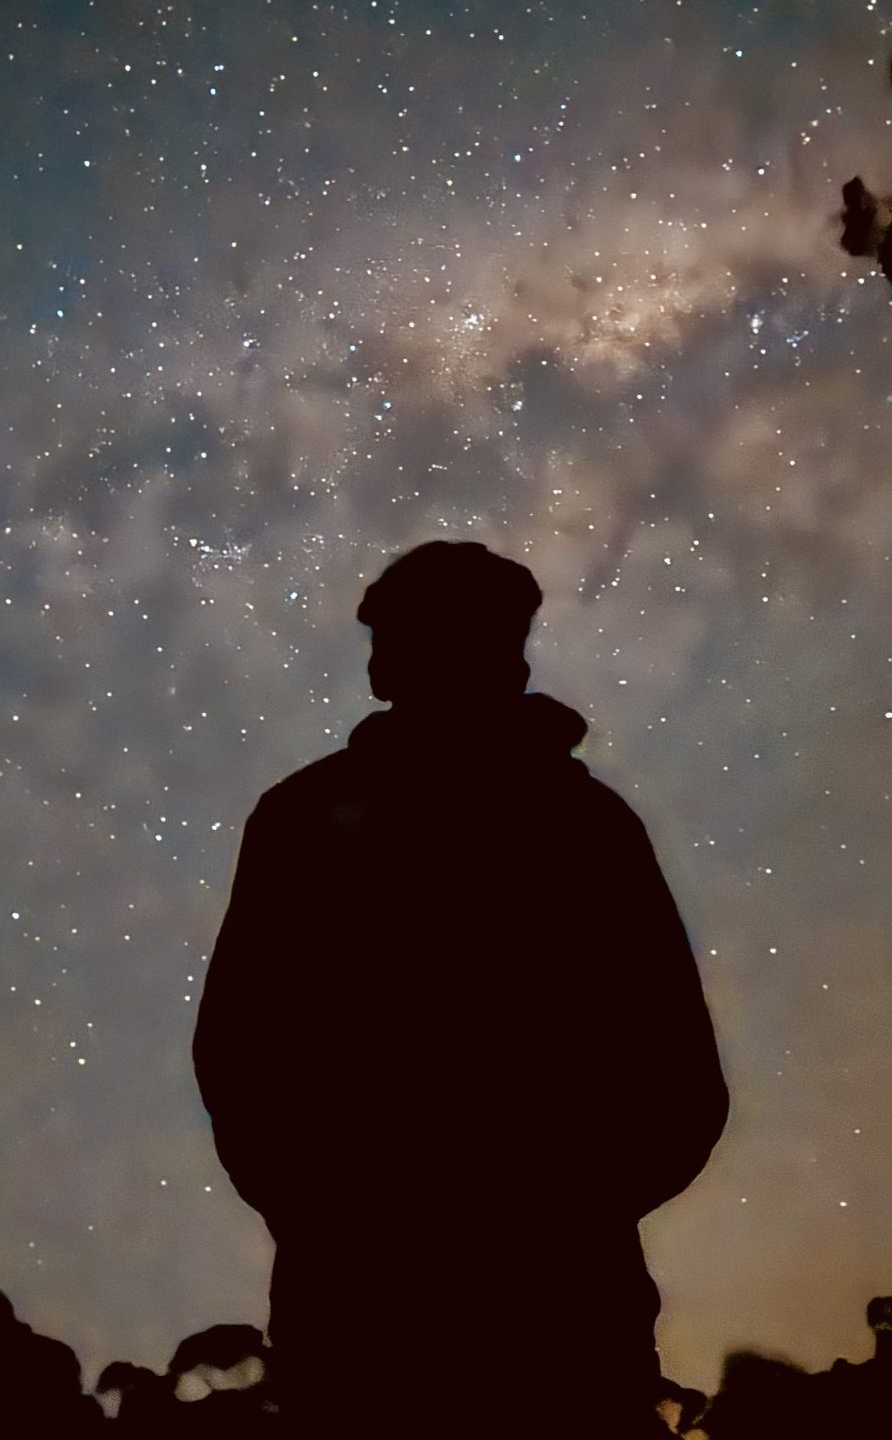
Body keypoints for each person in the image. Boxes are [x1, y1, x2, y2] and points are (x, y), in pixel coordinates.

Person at [193, 541, 728, 1435]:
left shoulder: (581, 826)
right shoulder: (310, 822)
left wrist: (560, 1217)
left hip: (525, 1313)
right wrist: (334, 1220)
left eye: (397, 636)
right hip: (396, 1310)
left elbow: (676, 1071)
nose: (377, 660)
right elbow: (240, 1051)